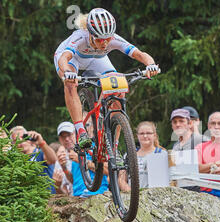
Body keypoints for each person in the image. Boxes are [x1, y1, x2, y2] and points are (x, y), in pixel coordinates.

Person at [54, 8, 160, 150]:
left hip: (97, 59)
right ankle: (80, 131)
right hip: (72, 59)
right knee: (70, 84)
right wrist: (67, 72)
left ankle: (113, 147)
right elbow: (64, 58)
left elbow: (139, 54)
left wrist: (151, 65)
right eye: (99, 39)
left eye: (108, 39)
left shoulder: (114, 39)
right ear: (90, 34)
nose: (104, 43)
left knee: (118, 90)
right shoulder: (80, 37)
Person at [119, 121, 167, 191]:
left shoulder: (162, 154)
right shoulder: (129, 155)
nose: (145, 136)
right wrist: (130, 193)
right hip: (133, 197)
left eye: (148, 133)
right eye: (141, 133)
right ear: (137, 136)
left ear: (154, 135)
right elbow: (121, 179)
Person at [10, 126, 57, 193]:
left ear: (29, 137)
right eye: (16, 140)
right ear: (13, 144)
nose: (20, 141)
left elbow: (53, 160)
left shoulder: (40, 152)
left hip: (48, 197)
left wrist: (41, 143)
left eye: (22, 136)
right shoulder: (16, 162)